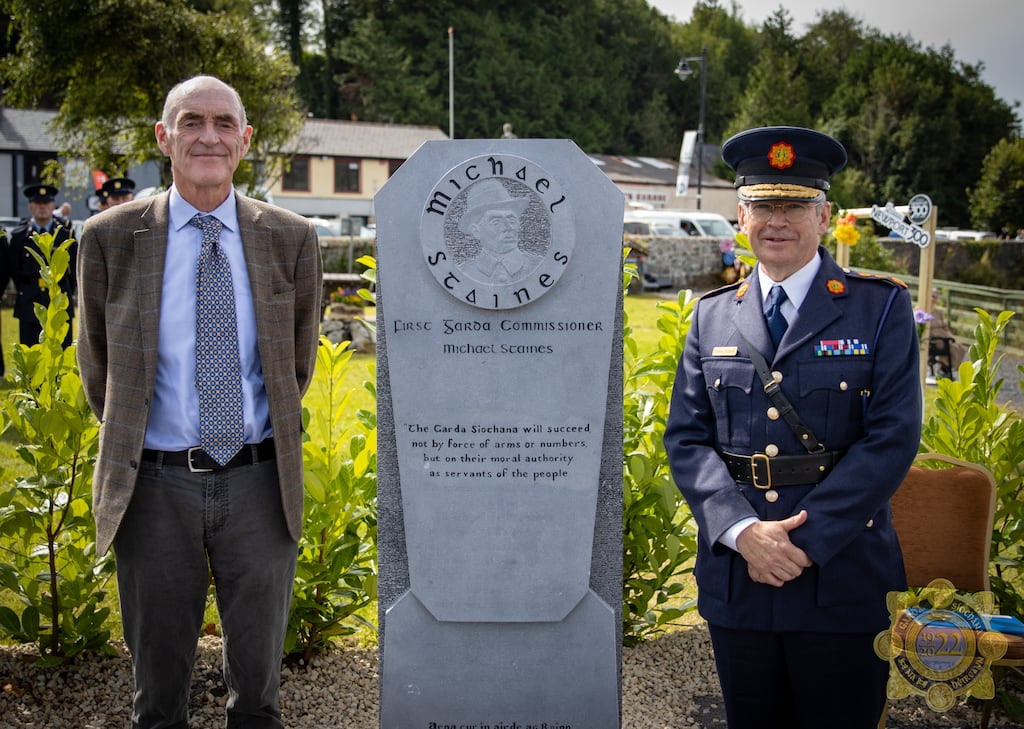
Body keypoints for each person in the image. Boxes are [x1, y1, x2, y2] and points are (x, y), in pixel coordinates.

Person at [76, 75, 322, 729]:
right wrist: (142, 441)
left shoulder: (292, 238)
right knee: (156, 697)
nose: (207, 136)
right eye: (191, 122)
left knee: (259, 695)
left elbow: (295, 364)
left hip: (260, 486)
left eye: (222, 123)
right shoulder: (108, 237)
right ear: (164, 137)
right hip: (154, 489)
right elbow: (98, 368)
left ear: (245, 141)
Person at [663, 126, 921, 729]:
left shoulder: (878, 307)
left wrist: (800, 545)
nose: (778, 220)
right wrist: (741, 531)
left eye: (796, 204)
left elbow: (892, 438)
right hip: (740, 579)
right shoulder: (711, 317)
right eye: (763, 204)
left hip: (841, 576)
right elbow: (687, 438)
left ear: (824, 215)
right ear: (741, 216)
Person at [7, 183, 76, 346]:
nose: (42, 207)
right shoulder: (19, 237)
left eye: (46, 203)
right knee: (33, 355)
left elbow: (73, 271)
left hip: (58, 302)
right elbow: (15, 271)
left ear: (53, 206)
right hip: (30, 303)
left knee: (60, 355)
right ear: (30, 206)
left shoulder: (66, 235)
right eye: (38, 203)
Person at [456, 178, 538, 284]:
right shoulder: (463, 274)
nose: (508, 227)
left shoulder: (539, 266)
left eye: (511, 220)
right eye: (496, 222)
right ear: (476, 231)